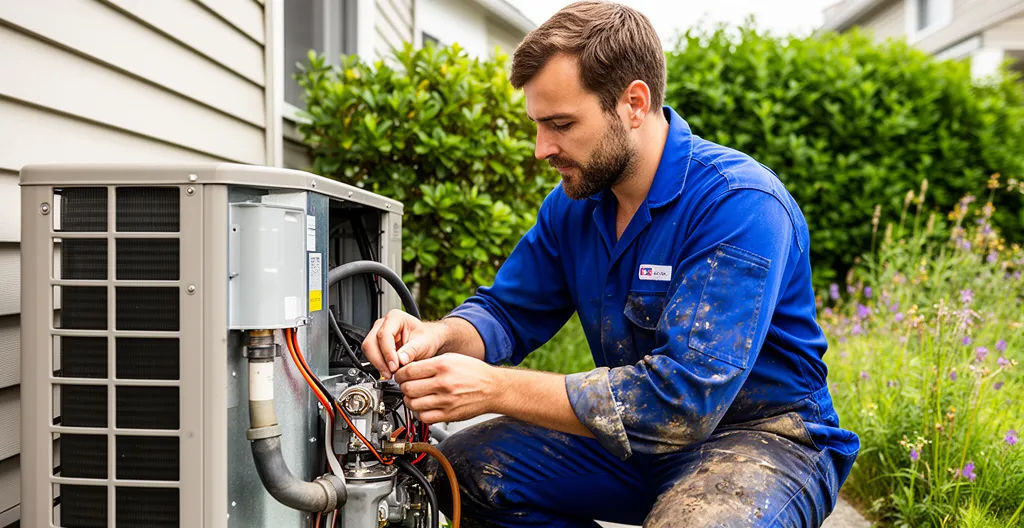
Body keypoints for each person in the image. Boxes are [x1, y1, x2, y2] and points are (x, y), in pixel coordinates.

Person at [362, 1, 860, 525]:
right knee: (460, 471)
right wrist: (438, 335)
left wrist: (493, 388)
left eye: (560, 124)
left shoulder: (739, 204)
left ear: (634, 103)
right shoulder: (575, 205)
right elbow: (505, 313)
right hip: (635, 446)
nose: (541, 149)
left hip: (764, 442)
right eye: (538, 125)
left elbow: (681, 400)